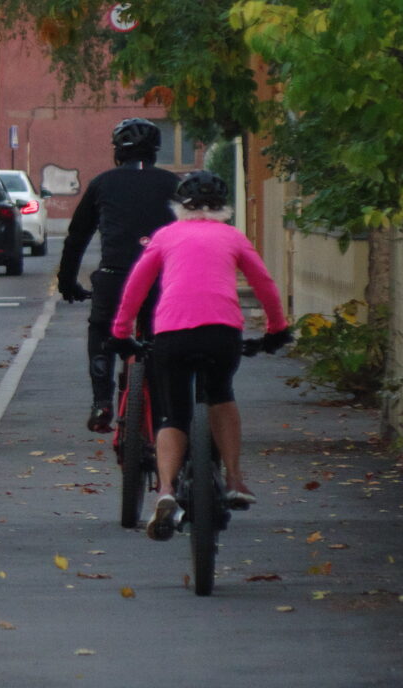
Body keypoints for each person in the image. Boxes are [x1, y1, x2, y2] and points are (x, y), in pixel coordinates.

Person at [111, 170, 290, 534]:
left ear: (180, 206)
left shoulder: (166, 236)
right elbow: (265, 285)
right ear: (224, 208)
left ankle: (165, 491)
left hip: (172, 334)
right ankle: (236, 480)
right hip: (221, 333)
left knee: (173, 414)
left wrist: (120, 332)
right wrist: (276, 331)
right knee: (221, 393)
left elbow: (136, 285)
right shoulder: (233, 237)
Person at [58, 118, 182, 432]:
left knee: (102, 330)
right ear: (155, 151)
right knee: (163, 338)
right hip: (162, 280)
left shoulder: (103, 183)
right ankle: (166, 407)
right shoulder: (175, 185)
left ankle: (101, 402)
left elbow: (77, 238)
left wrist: (68, 282)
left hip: (116, 277)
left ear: (118, 152)